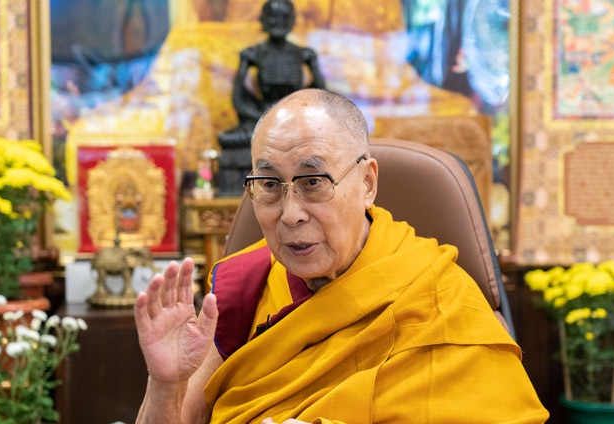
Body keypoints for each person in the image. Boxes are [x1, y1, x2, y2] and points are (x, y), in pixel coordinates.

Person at [134, 88, 549, 423]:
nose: (290, 214)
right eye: (269, 184)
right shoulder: (245, 284)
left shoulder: (439, 297)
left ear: (367, 183)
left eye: (313, 181)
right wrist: (166, 382)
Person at [216, 0, 325, 196]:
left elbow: (321, 97)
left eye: (284, 17)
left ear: (293, 21)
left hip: (296, 118)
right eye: (273, 17)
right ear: (263, 20)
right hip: (261, 117)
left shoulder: (303, 54)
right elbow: (239, 101)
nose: (278, 22)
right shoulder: (253, 54)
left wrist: (313, 67)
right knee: (229, 139)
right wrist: (266, 119)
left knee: (320, 138)